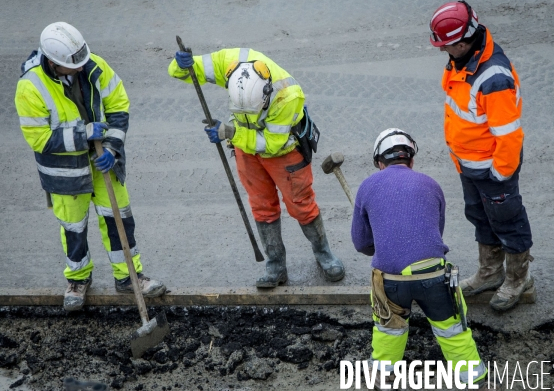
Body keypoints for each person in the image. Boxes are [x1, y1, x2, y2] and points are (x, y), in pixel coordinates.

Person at [14, 22, 166, 311]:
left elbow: (119, 105)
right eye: (74, 65)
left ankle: (129, 277)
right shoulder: (30, 87)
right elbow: (39, 138)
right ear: (53, 63)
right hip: (66, 173)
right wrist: (83, 134)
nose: (81, 68)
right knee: (74, 226)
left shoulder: (93, 65)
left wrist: (111, 147)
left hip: (102, 162)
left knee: (118, 217)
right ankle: (78, 279)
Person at [168, 48, 345, 287]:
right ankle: (275, 266)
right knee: (262, 206)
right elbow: (183, 72)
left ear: (267, 92)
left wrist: (231, 132)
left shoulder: (287, 96)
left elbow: (272, 144)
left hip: (284, 152)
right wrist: (182, 65)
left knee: (301, 205)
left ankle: (324, 255)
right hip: (246, 148)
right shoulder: (229, 63)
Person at [351, 128, 488, 389]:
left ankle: (382, 378)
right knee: (453, 331)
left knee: (388, 330)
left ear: (380, 163)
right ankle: (475, 382)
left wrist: (379, 247)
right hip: (434, 276)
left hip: (390, 281)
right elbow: (435, 233)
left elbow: (361, 243)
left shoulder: (367, 186)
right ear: (411, 160)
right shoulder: (431, 184)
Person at [429, 1, 534, 311]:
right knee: (480, 217)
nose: (441, 51)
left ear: (464, 41)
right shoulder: (461, 59)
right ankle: (489, 273)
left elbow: (510, 136)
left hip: (492, 169)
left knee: (508, 222)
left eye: (445, 45)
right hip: (470, 165)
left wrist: (500, 175)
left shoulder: (494, 79)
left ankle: (517, 278)